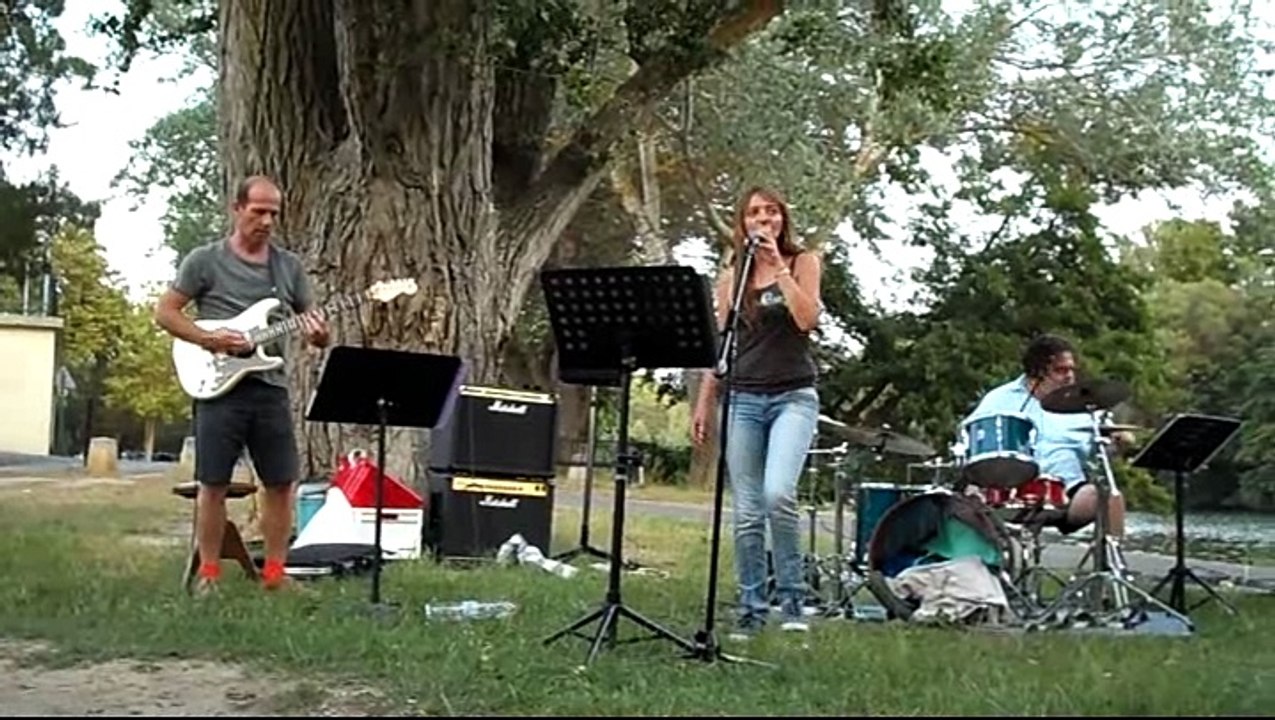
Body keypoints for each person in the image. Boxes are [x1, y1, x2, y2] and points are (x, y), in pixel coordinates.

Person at [155, 175, 330, 595]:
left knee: (282, 483)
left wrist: (319, 333)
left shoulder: (287, 268)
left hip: (270, 388)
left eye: (274, 213)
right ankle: (209, 575)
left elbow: (315, 325)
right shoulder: (205, 260)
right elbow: (166, 312)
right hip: (218, 388)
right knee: (212, 484)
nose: (267, 221)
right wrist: (209, 339)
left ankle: (274, 575)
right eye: (259, 211)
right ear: (237, 209)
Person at [691, 186, 823, 639]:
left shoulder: (805, 261)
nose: (762, 219)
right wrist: (705, 401)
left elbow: (808, 319)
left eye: (771, 212)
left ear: (782, 219)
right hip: (742, 398)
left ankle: (792, 600)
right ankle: (751, 607)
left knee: (777, 495)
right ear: (742, 223)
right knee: (746, 510)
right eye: (753, 213)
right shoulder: (732, 277)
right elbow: (722, 346)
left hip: (793, 396)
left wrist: (780, 268)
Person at [959, 334, 1130, 537]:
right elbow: (972, 441)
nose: (1069, 376)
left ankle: (1110, 561)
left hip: (1066, 491)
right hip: (1009, 488)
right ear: (1036, 372)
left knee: (1102, 496)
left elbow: (1100, 450)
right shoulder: (999, 399)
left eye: (1071, 370)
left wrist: (1117, 445)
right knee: (970, 497)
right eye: (1060, 370)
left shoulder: (1085, 405)